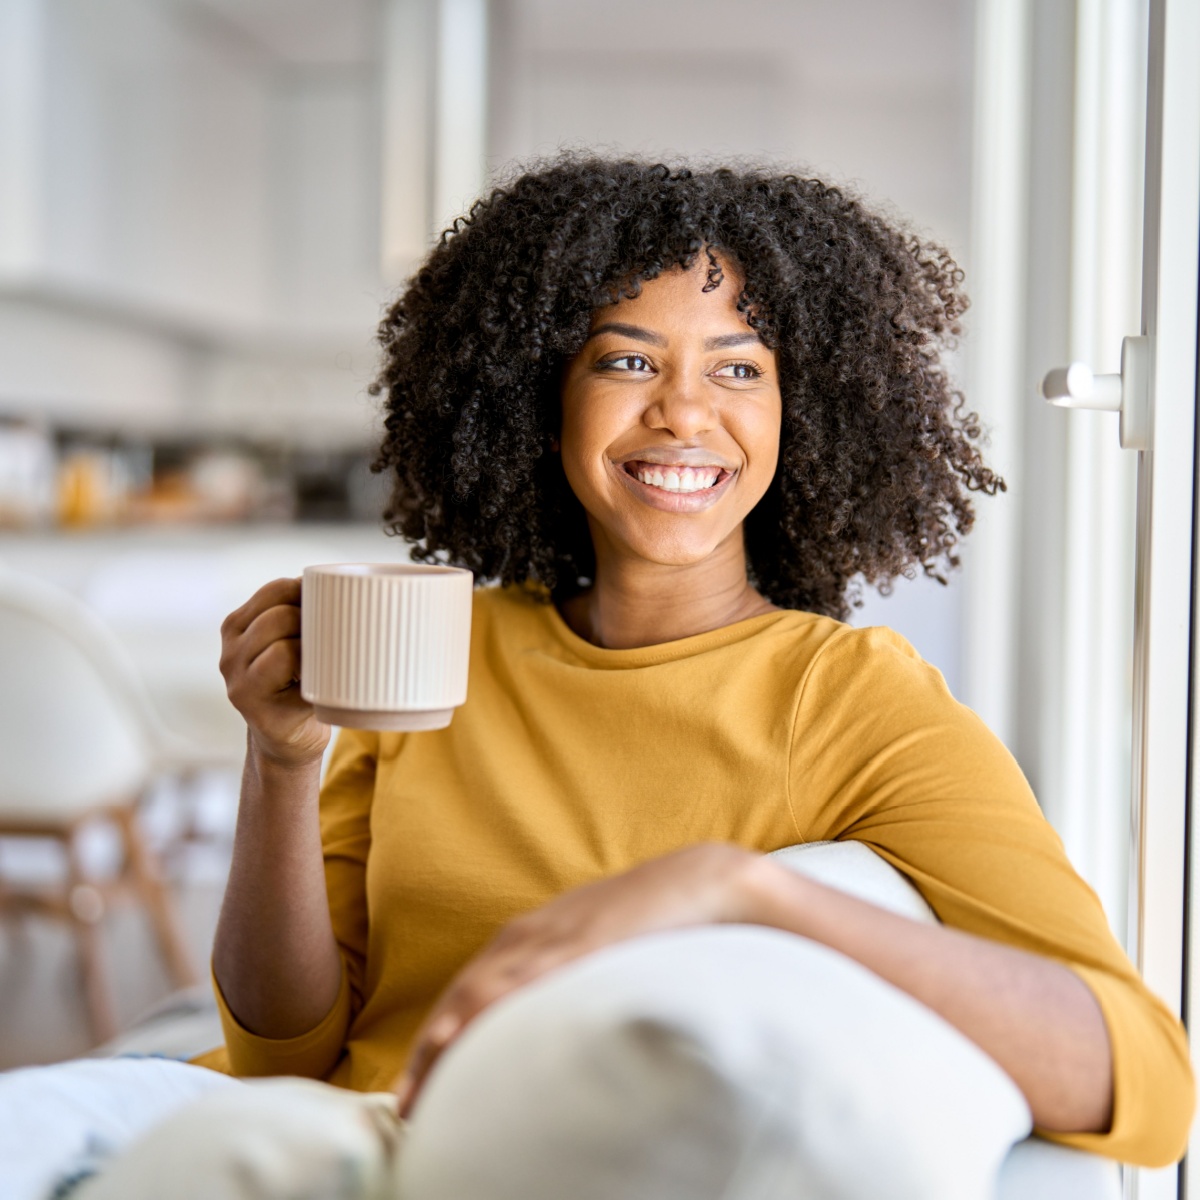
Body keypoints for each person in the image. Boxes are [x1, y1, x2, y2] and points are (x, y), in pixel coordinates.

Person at [202, 157, 1192, 1174]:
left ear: (798, 414)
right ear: (544, 402)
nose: (682, 411)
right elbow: (284, 1049)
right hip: (329, 1148)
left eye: (737, 368)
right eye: (627, 363)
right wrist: (280, 764)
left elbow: (1147, 1084)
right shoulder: (443, 650)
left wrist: (749, 894)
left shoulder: (853, 701)